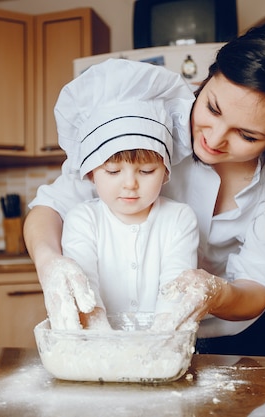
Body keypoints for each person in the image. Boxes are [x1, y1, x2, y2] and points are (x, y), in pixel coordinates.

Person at [24, 20, 265, 355]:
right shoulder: (148, 124)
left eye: (247, 135)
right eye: (212, 108)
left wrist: (213, 293)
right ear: (207, 78)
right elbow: (50, 208)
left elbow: (256, 287)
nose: (214, 139)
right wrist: (49, 262)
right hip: (131, 333)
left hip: (236, 335)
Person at [54, 59, 199, 329]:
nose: (130, 184)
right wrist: (107, 348)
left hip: (162, 349)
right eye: (112, 171)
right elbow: (87, 296)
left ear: (166, 171)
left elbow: (174, 296)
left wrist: (158, 348)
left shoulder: (179, 219)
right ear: (90, 173)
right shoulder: (82, 220)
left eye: (146, 171)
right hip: (99, 351)